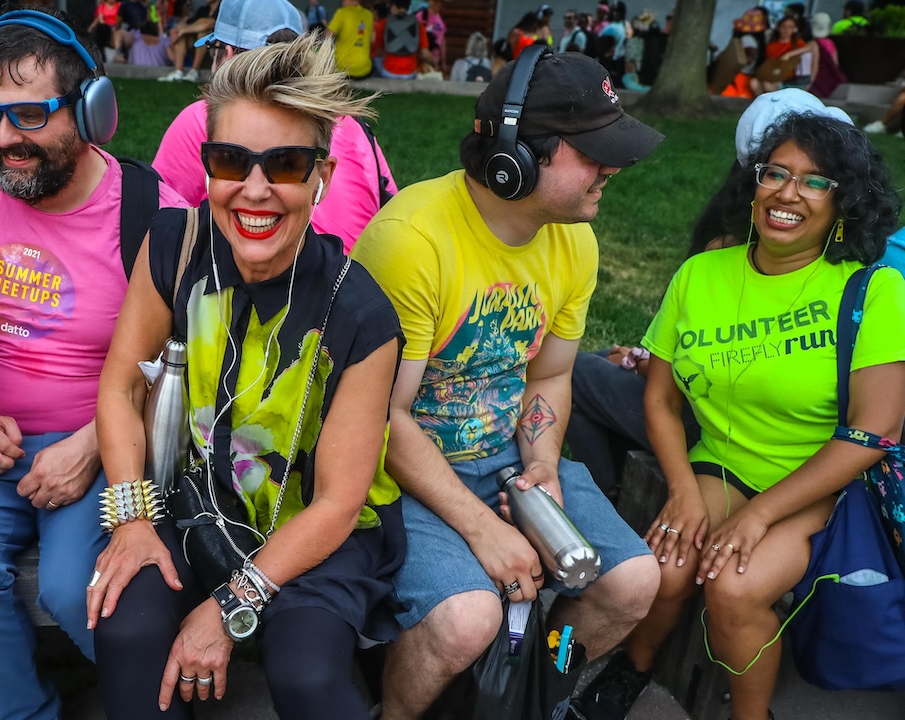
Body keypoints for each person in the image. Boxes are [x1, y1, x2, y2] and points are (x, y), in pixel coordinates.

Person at [90, 34, 405, 720]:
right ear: (207, 167)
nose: (255, 189)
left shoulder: (361, 313)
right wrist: (133, 519)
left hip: (315, 532)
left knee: (309, 675)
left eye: (285, 164)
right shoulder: (175, 246)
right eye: (232, 160)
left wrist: (229, 605)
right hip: (196, 501)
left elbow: (338, 505)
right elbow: (117, 388)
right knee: (127, 627)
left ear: (321, 177)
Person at [352, 48, 664, 720]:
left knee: (633, 582)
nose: (613, 169)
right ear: (516, 158)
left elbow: (548, 374)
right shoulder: (412, 240)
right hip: (401, 468)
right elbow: (383, 416)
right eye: (594, 153)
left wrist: (544, 469)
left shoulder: (573, 237)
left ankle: (530, 690)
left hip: (506, 459)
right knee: (469, 617)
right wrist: (483, 531)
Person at [575, 113, 905, 720]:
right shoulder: (702, 273)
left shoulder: (873, 290)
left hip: (822, 482)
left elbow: (873, 431)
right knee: (668, 569)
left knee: (735, 586)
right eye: (776, 173)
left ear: (844, 202)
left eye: (814, 182)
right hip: (722, 465)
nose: (787, 193)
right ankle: (632, 668)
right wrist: (681, 492)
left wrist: (759, 515)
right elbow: (661, 397)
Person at [0, 8, 186, 720]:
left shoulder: (153, 212)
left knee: (75, 586)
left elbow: (185, 363)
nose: (5, 140)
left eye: (29, 116)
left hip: (102, 439)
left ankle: (160, 699)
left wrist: (94, 443)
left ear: (92, 110)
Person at [152, 0, 398, 253]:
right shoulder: (353, 122)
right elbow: (391, 208)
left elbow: (157, 224)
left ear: (225, 53)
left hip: (275, 281)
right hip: (359, 278)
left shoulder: (203, 116)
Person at [158, 0, 219, 82]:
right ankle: (178, 72)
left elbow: (209, 24)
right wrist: (181, 30)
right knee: (180, 28)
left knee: (203, 33)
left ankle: (194, 72)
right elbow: (191, 24)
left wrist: (184, 30)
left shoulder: (223, 8)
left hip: (216, 45)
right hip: (196, 46)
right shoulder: (203, 9)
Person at [373, 0, 430, 78]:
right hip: (409, 72)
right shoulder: (417, 24)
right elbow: (425, 53)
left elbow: (379, 51)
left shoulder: (384, 23)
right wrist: (434, 62)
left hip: (388, 70)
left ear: (394, 6)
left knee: (376, 60)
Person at [749, 16, 804, 96]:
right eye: (783, 26)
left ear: (794, 29)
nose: (786, 30)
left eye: (790, 27)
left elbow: (812, 47)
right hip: (771, 75)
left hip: (787, 78)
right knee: (754, 83)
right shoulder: (771, 46)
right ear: (778, 28)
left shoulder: (798, 43)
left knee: (767, 85)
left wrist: (788, 54)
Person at [330, 0, 376, 79]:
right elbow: (372, 40)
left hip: (341, 69)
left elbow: (328, 36)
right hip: (363, 69)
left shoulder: (342, 12)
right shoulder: (369, 15)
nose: (342, 2)